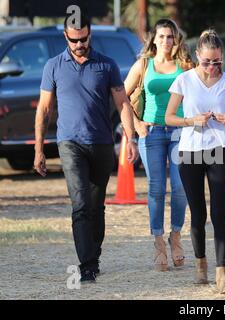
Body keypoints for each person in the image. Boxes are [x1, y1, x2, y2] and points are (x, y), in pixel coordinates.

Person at [34, 14, 138, 283]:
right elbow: (44, 109)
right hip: (70, 143)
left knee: (96, 206)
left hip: (101, 143)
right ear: (65, 36)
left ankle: (94, 254)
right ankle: (87, 264)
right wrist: (39, 149)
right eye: (74, 40)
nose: (79, 44)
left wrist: (131, 138)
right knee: (80, 205)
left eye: (84, 39)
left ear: (90, 34)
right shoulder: (53, 66)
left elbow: (122, 103)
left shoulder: (107, 65)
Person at [165, 29, 225, 294]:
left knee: (220, 214)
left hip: (218, 150)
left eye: (216, 61)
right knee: (198, 213)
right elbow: (169, 116)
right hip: (190, 152)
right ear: (197, 55)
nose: (211, 67)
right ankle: (201, 265)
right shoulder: (184, 80)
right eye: (207, 61)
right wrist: (191, 120)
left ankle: (223, 274)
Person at [124, 18, 194, 272]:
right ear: (153, 39)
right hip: (151, 132)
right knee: (155, 188)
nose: (166, 41)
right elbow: (121, 96)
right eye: (162, 36)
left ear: (176, 40)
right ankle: (158, 242)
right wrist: (137, 124)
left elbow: (199, 92)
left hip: (179, 132)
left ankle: (175, 236)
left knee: (179, 187)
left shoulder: (185, 66)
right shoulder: (144, 65)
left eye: (171, 36)